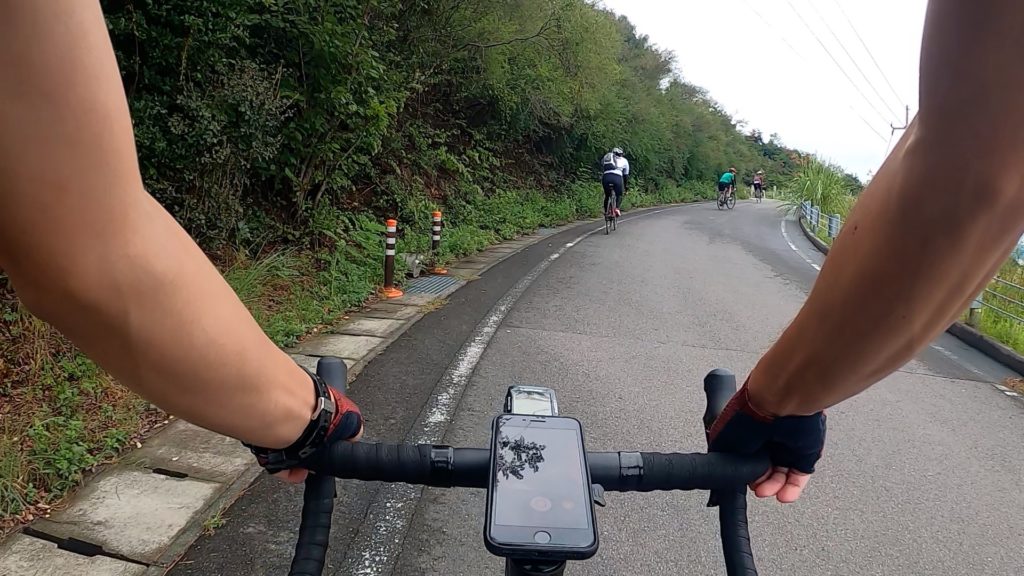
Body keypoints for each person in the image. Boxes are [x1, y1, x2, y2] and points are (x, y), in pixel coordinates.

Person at [2, 0, 1023, 501]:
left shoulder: (717, 174)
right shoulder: (651, 161)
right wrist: (779, 400)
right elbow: (980, 175)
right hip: (653, 195)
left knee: (626, 195)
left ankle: (621, 209)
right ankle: (619, 212)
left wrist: (301, 418)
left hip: (651, 182)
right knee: (617, 196)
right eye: (742, 182)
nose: (742, 184)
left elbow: (75, 234)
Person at [600, 147, 630, 217]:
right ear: (621, 154)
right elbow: (625, 176)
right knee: (619, 194)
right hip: (617, 178)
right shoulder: (624, 161)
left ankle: (606, 212)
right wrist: (626, 187)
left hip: (606, 177)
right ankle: (617, 208)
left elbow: (602, 166)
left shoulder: (607, 158)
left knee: (607, 195)